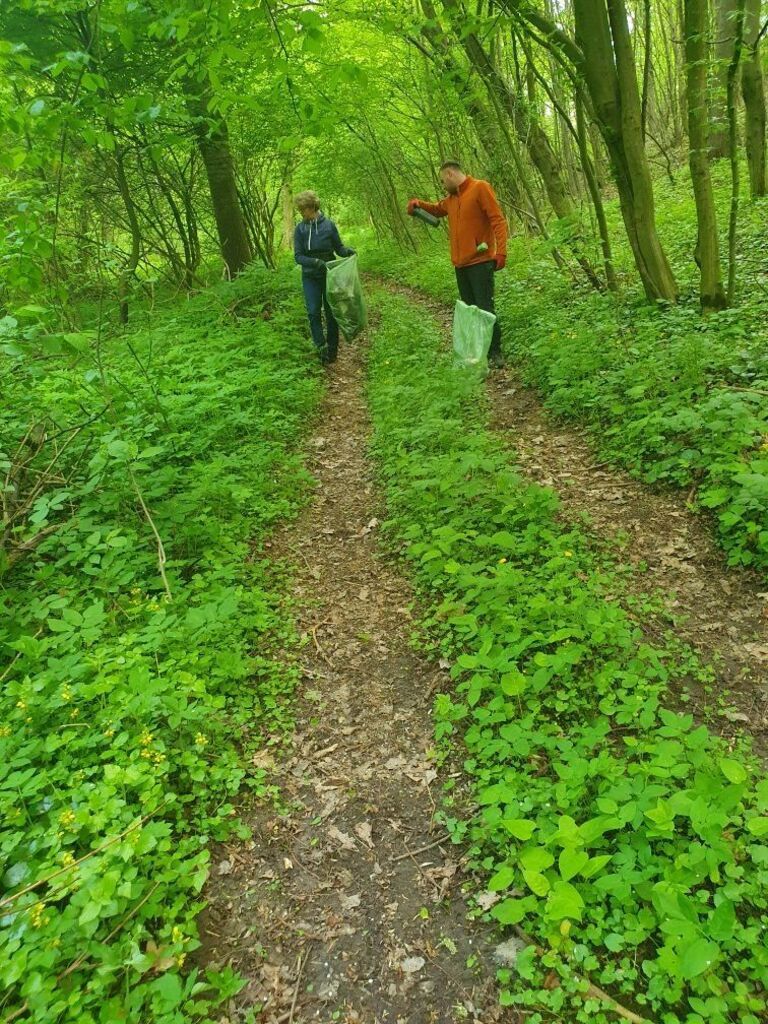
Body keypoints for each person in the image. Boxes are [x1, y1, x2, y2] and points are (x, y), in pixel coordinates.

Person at [407, 160, 508, 368]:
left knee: (485, 308)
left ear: (451, 174)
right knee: (471, 310)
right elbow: (436, 209)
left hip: (480, 261)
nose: (443, 185)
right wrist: (418, 204)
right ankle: (477, 352)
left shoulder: (480, 188)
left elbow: (498, 220)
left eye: (443, 181)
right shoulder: (451, 200)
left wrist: (501, 252)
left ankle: (495, 352)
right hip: (460, 265)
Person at [293, 190, 355, 365]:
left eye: (302, 209)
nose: (301, 213)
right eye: (299, 210)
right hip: (310, 276)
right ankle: (321, 349)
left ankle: (332, 350)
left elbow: (339, 248)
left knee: (331, 313)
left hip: (329, 275)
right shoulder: (300, 229)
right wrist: (314, 262)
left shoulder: (329, 225)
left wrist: (347, 252)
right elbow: (298, 257)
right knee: (313, 312)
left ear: (312, 207)